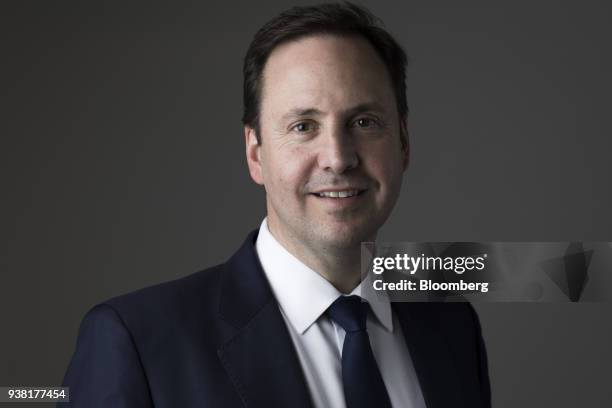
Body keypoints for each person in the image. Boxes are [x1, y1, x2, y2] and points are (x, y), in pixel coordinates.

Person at [60, 3, 491, 407]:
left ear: (404, 142)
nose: (338, 157)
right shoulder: (135, 341)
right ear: (255, 153)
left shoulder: (451, 327)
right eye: (303, 126)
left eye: (364, 122)